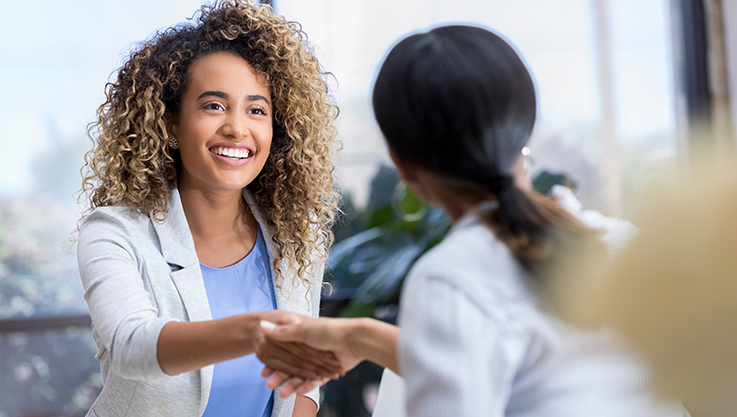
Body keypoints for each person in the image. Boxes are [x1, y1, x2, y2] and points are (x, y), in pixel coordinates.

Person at [259, 25, 685, 416]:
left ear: (401, 165)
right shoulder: (622, 242)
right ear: (525, 127)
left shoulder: (450, 280)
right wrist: (363, 339)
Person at [76, 1, 342, 416]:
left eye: (257, 110)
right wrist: (254, 331)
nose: (238, 127)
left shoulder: (295, 234)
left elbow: (302, 387)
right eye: (214, 105)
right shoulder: (113, 232)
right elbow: (133, 347)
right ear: (170, 125)